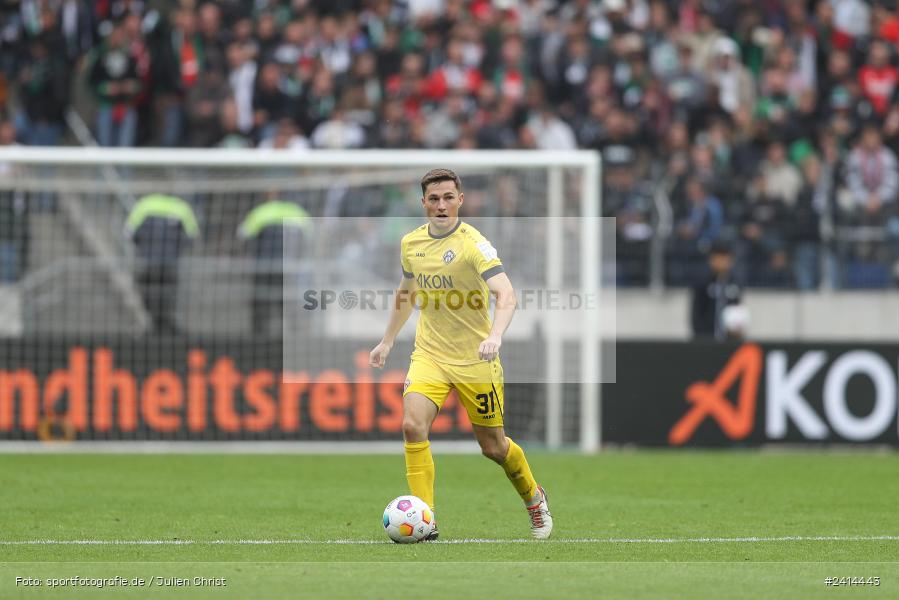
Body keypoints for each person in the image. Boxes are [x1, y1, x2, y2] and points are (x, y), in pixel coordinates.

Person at [369, 168, 553, 540]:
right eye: (433, 199)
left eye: (448, 197)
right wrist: (387, 339)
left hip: (475, 360)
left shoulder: (474, 244)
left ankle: (534, 497)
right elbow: (407, 292)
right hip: (430, 355)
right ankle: (426, 519)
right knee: (411, 426)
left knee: (494, 447)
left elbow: (507, 294)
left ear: (461, 200)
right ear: (423, 203)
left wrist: (496, 334)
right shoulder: (411, 244)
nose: (441, 205)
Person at [691, 240, 743, 340]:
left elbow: (737, 310)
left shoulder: (735, 284)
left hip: (729, 341)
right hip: (707, 340)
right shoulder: (703, 283)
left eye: (724, 258)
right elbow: (697, 314)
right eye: (718, 257)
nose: (721, 262)